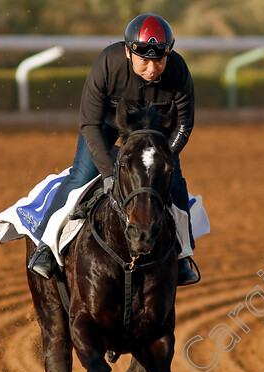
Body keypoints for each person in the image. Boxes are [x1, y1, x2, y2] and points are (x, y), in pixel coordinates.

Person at [28, 12, 199, 286]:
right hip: (106, 127)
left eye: (159, 60)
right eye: (144, 61)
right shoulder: (108, 63)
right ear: (129, 53)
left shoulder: (178, 70)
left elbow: (183, 126)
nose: (152, 69)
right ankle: (46, 247)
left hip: (153, 136)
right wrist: (109, 172)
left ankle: (182, 257)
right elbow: (89, 123)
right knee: (80, 177)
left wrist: (166, 156)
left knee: (175, 184)